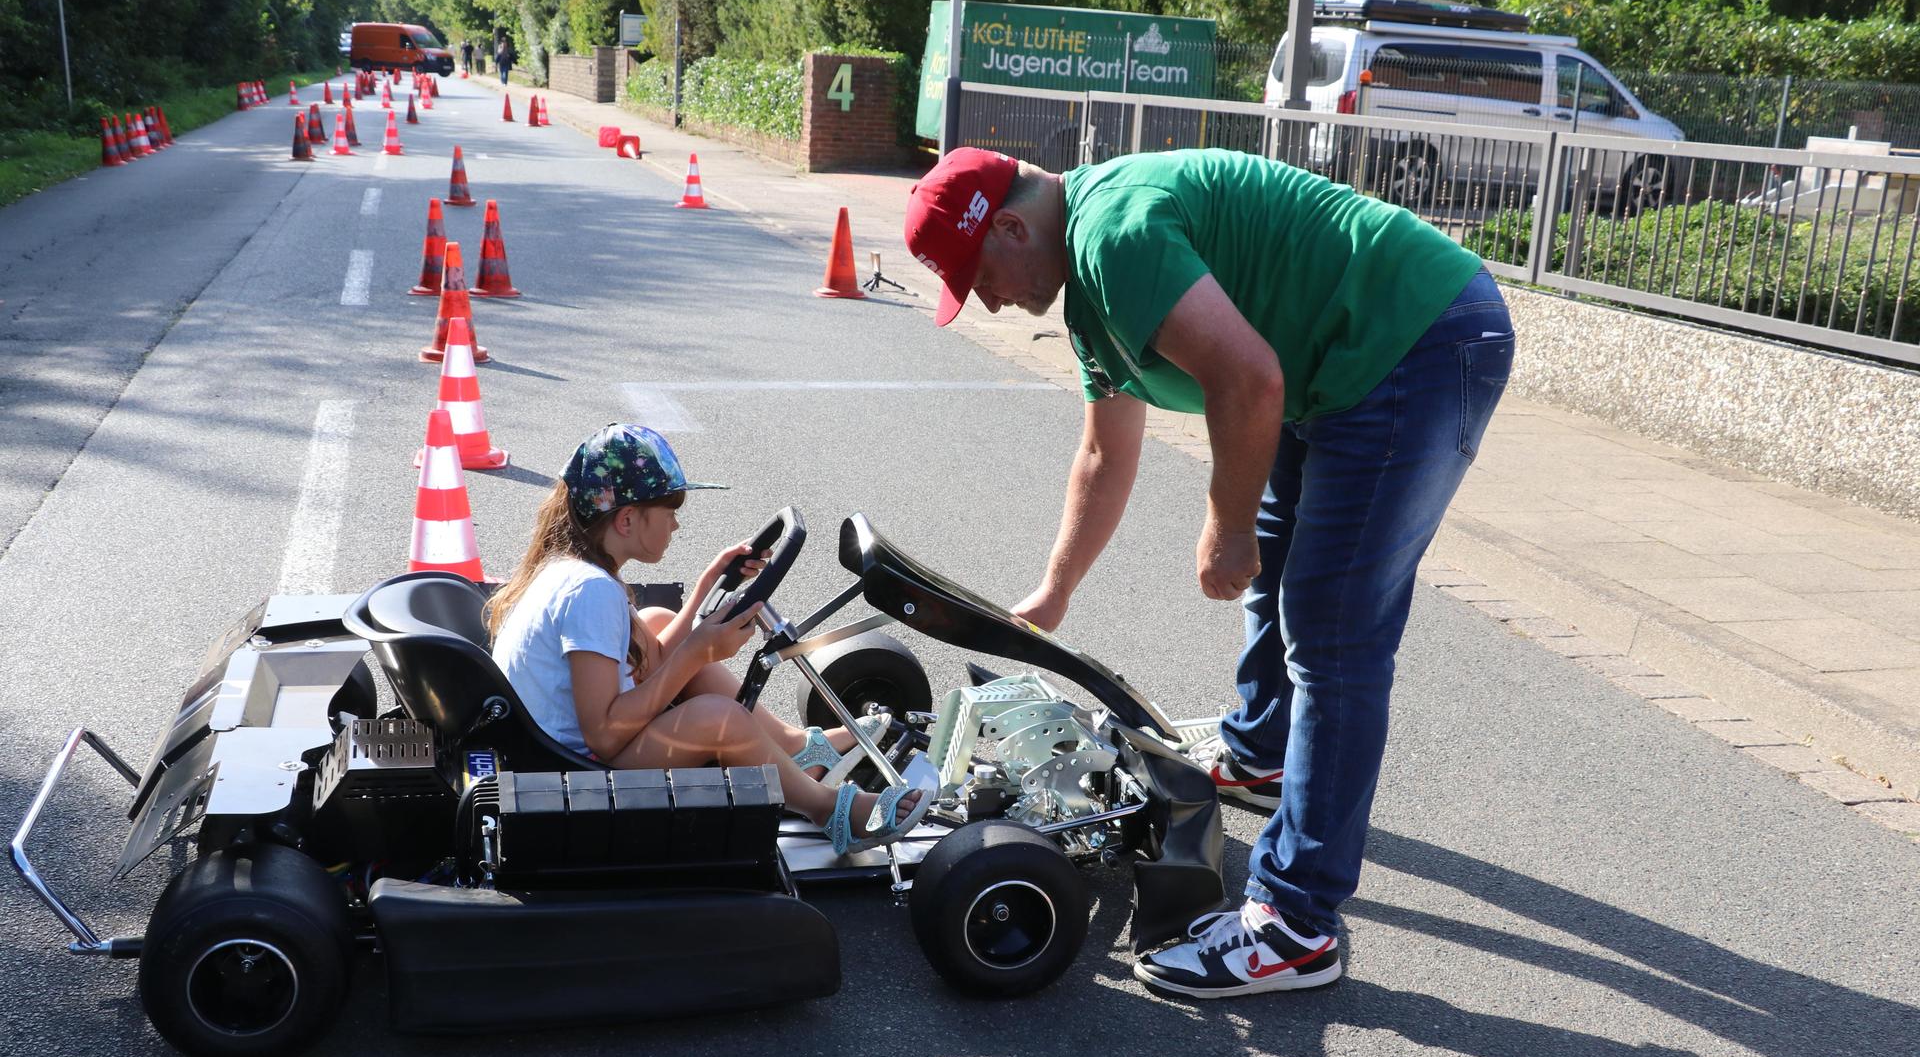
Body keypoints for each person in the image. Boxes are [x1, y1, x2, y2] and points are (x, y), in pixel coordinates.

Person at [904, 147, 1514, 1000]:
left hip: (1409, 340)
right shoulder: (1090, 283)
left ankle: (1297, 925)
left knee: (1334, 637)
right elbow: (1101, 453)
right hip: (1338, 365)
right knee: (1283, 564)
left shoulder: (1114, 236)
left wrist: (1224, 528)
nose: (990, 302)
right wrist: (1054, 592)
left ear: (1010, 225)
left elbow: (1250, 381)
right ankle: (1262, 751)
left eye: (981, 277)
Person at [484, 423, 931, 855]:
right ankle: (832, 813)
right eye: (670, 511)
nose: (675, 526)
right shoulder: (590, 591)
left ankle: (798, 749)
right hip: (574, 776)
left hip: (559, 755)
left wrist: (705, 588)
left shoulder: (575, 570)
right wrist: (697, 652)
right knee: (718, 718)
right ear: (626, 519)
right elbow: (602, 736)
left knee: (658, 619)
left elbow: (652, 661)